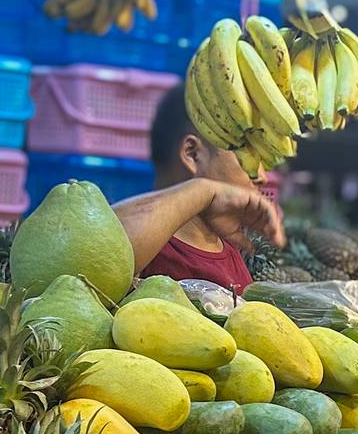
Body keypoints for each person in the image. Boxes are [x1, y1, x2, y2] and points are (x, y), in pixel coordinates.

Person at [112, 85, 283, 293]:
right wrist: (204, 191)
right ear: (192, 154)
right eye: (250, 157)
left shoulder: (231, 249)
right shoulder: (151, 246)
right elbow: (106, 249)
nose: (263, 177)